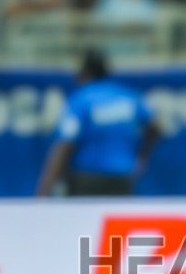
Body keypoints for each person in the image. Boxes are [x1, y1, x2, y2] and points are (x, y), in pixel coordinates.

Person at [37, 50, 160, 197]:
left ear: (84, 73)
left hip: (87, 178)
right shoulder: (128, 96)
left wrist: (44, 190)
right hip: (123, 178)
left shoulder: (80, 99)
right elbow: (156, 127)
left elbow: (65, 143)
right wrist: (142, 158)